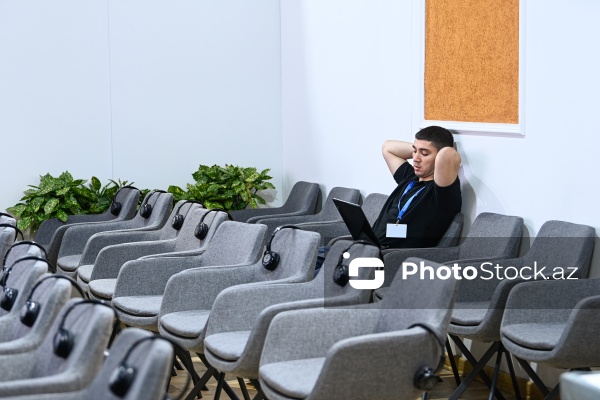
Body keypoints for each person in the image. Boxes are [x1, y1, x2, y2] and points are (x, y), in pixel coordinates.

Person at [371, 125, 462, 249]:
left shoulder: (441, 193)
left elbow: (448, 154)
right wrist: (420, 149)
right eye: (414, 151)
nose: (415, 159)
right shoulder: (409, 177)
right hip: (370, 245)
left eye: (424, 154)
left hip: (395, 257)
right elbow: (387, 147)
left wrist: (438, 148)